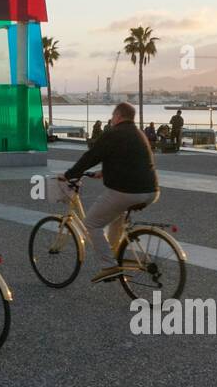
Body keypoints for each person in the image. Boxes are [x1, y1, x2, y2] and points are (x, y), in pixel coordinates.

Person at [60, 101, 159, 282]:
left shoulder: (113, 133)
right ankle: (114, 255)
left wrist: (68, 175)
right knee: (116, 219)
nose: (112, 119)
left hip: (126, 192)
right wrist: (104, 172)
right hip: (151, 191)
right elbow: (130, 161)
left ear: (118, 116)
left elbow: (90, 157)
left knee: (91, 222)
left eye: (113, 116)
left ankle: (108, 265)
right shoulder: (139, 134)